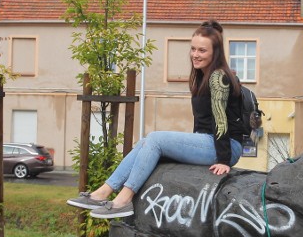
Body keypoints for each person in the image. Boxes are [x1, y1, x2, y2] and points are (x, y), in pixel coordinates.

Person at [67, 20, 247, 219]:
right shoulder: (203, 77)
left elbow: (220, 121)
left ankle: (124, 200)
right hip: (209, 142)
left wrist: (223, 159)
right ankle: (103, 192)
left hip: (226, 147)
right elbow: (203, 122)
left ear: (215, 52)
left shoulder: (218, 77)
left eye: (202, 51)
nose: (195, 54)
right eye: (193, 49)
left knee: (155, 138)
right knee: (145, 142)